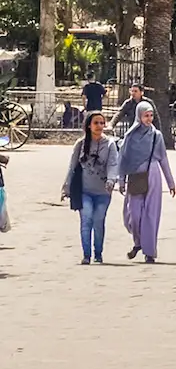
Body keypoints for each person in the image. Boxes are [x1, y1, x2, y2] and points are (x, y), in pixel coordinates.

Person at [116, 101, 173, 262]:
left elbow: (163, 159)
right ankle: (138, 242)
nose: (148, 119)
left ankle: (149, 252)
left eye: (151, 115)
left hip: (153, 176)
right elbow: (123, 159)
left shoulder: (156, 136)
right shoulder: (130, 136)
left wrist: (171, 183)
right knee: (133, 215)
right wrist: (121, 180)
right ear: (139, 116)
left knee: (151, 214)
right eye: (145, 116)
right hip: (135, 177)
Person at [60, 112, 119, 264]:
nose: (99, 126)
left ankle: (98, 253)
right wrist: (66, 187)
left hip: (103, 192)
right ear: (88, 125)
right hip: (84, 190)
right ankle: (86, 255)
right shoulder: (80, 144)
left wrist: (112, 180)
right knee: (86, 220)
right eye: (96, 123)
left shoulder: (110, 144)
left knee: (98, 221)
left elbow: (113, 164)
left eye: (101, 123)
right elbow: (72, 166)